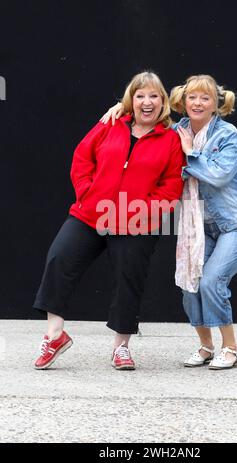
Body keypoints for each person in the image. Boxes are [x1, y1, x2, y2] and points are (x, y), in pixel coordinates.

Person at [101, 74, 237, 370]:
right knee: (191, 283)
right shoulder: (175, 131)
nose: (198, 103)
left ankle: (231, 348)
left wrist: (191, 154)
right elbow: (145, 128)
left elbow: (219, 175)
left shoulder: (228, 134)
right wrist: (118, 112)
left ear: (216, 104)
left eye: (205, 98)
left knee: (212, 280)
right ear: (182, 101)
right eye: (192, 97)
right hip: (200, 225)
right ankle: (205, 346)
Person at [33, 71, 185, 371]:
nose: (147, 102)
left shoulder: (170, 140)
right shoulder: (110, 124)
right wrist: (88, 194)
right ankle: (54, 335)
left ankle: (121, 346)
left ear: (163, 102)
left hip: (137, 222)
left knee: (129, 278)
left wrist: (138, 213)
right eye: (140, 95)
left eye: (154, 96)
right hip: (92, 213)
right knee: (59, 258)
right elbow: (82, 158)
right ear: (131, 100)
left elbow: (170, 189)